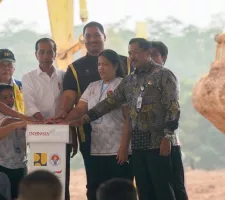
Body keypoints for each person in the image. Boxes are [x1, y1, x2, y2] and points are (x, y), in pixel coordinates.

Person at [68, 38, 180, 200]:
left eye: (136, 52)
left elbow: (173, 108)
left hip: (159, 142)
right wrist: (84, 119)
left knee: (163, 189)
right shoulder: (130, 80)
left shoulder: (164, 75)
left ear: (148, 53)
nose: (132, 56)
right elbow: (109, 103)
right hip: (138, 145)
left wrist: (167, 137)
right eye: (129, 53)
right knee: (144, 190)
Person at [53, 21, 132, 200]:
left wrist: (124, 145)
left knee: (122, 186)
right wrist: (62, 121)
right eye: (87, 36)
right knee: (95, 186)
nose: (92, 39)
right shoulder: (85, 78)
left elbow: (129, 116)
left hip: (121, 143)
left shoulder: (126, 70)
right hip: (92, 141)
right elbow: (77, 107)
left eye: (96, 35)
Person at [21, 37, 73, 200]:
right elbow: (30, 103)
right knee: (39, 179)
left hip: (62, 134)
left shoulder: (64, 76)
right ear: (36, 54)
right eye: (41, 52)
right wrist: (43, 121)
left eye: (49, 52)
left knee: (63, 179)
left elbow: (70, 101)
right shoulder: (28, 77)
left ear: (55, 54)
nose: (45, 55)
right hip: (39, 134)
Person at [151, 41, 188, 200]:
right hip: (149, 144)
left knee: (174, 187)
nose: (150, 59)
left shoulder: (168, 77)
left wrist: (167, 137)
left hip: (169, 142)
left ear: (164, 58)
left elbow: (173, 109)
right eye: (148, 55)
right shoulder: (139, 80)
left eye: (155, 55)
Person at [0, 84, 27, 199]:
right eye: (5, 98)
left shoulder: (18, 114)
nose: (10, 100)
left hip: (19, 165)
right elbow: (9, 123)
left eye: (11, 96)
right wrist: (33, 121)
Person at [0, 49, 24, 113]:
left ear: (14, 67)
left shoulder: (22, 87)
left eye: (9, 65)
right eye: (2, 64)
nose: (6, 68)